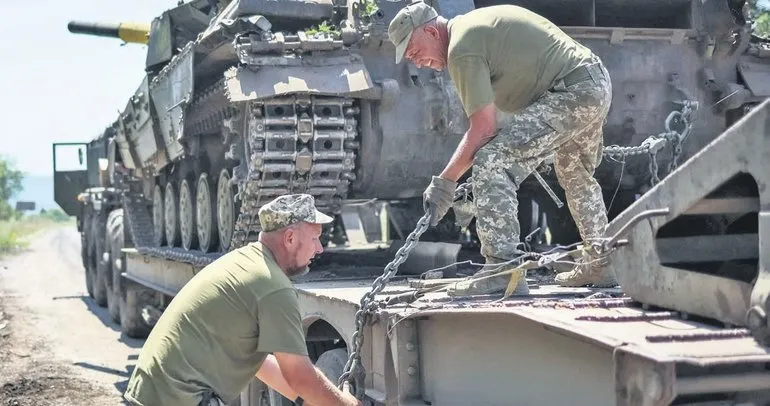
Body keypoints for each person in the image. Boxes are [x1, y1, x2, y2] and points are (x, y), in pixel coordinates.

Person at [387, 1, 617, 295]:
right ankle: (600, 263)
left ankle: (502, 269)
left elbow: (483, 130)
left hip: (571, 90)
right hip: (592, 82)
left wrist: (445, 182)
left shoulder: (461, 48)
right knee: (575, 175)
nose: (417, 62)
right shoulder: (472, 30)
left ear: (432, 32)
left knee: (492, 162)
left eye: (415, 51)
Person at [123, 194, 362, 406]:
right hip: (180, 397)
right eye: (314, 239)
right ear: (290, 238)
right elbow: (299, 375)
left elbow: (254, 361)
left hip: (151, 392)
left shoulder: (245, 262)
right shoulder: (273, 287)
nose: (319, 249)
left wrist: (305, 397)